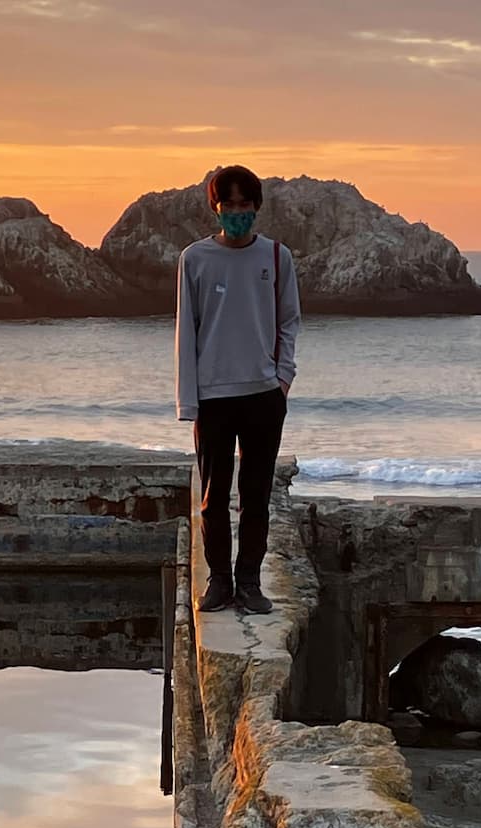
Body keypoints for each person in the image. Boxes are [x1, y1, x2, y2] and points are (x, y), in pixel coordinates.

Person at [175, 165, 302, 615]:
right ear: (216, 207)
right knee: (213, 498)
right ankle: (219, 582)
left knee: (255, 497)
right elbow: (185, 332)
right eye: (228, 205)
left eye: (244, 206)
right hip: (213, 396)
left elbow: (289, 321)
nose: (236, 213)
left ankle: (249, 581)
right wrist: (187, 400)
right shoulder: (194, 259)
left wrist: (282, 379)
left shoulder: (276, 257)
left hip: (263, 396)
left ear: (256, 208)